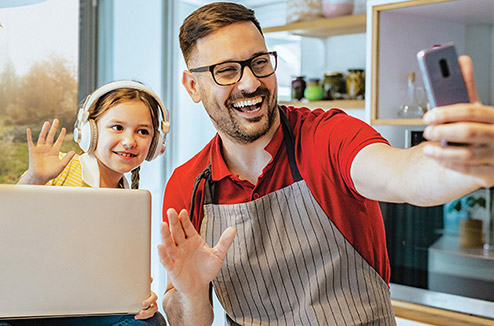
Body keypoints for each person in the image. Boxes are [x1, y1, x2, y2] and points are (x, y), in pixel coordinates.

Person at [157, 2, 494, 326]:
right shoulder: (189, 186)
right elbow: (189, 321)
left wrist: (468, 162)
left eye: (259, 62)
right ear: (192, 86)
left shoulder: (325, 136)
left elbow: (403, 174)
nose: (250, 83)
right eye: (227, 71)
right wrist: (191, 291)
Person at [8, 80, 169, 326]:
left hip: (85, 308)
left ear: (155, 144)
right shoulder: (58, 167)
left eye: (143, 131)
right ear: (89, 132)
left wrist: (140, 299)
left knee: (149, 321)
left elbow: (117, 275)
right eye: (117, 127)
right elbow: (9, 228)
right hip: (29, 305)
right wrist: (35, 178)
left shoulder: (132, 202)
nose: (129, 141)